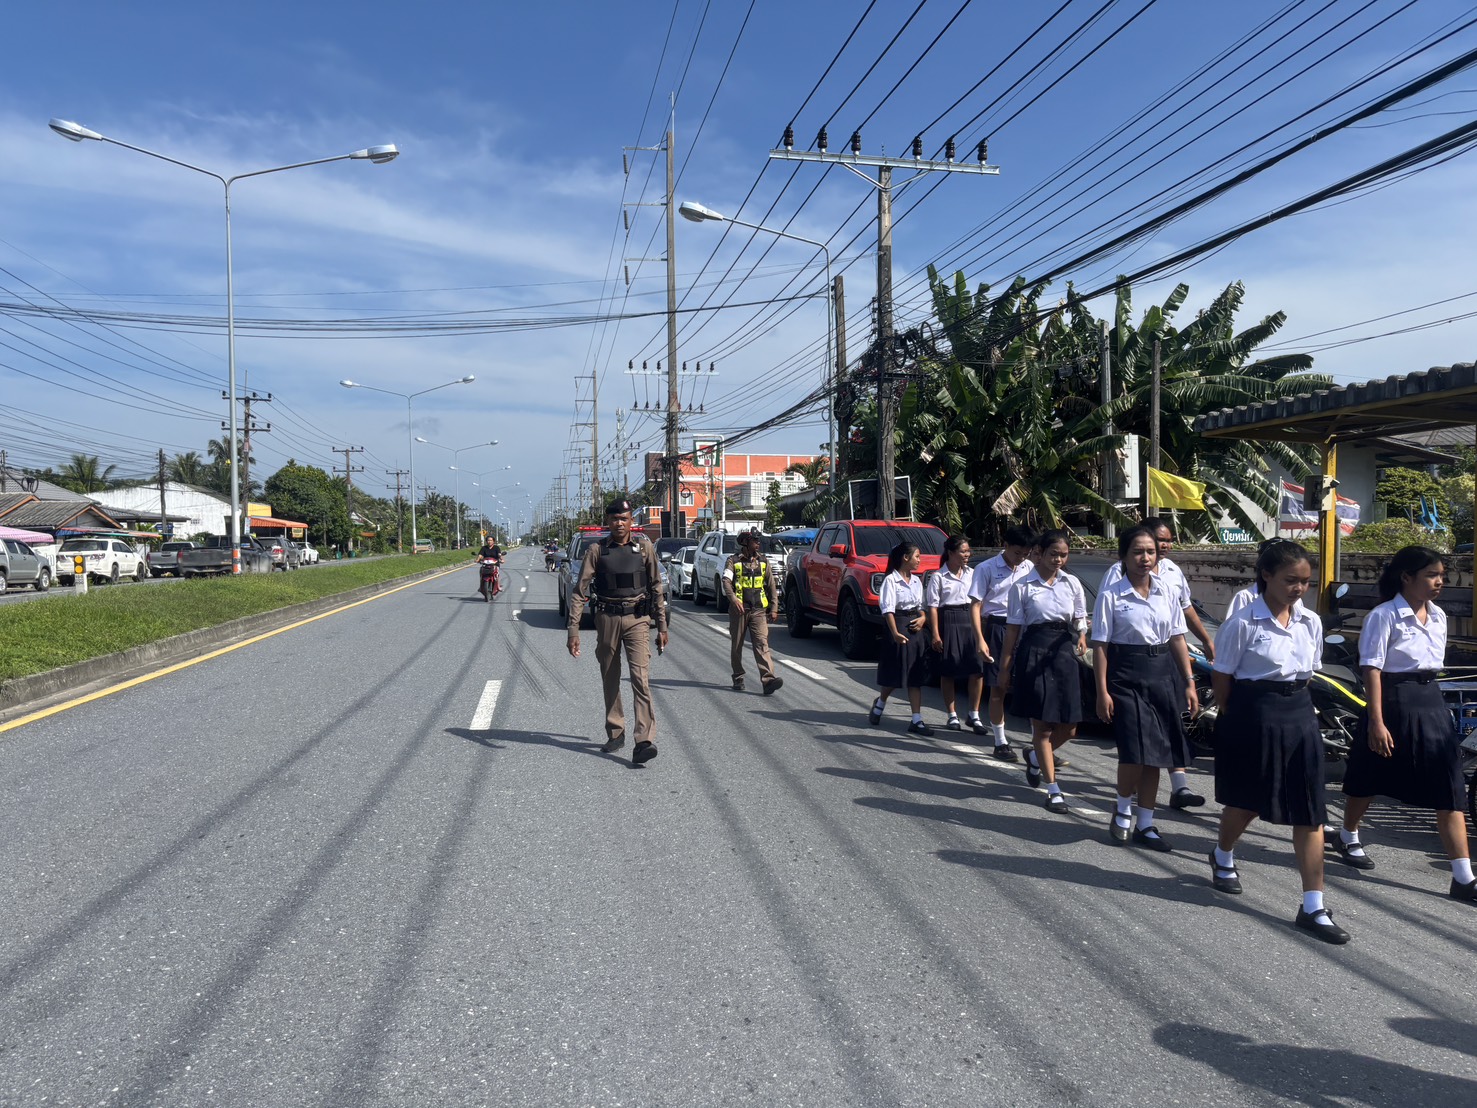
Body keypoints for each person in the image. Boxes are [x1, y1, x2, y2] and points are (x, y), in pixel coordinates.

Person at [1209, 541, 1349, 944]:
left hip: (1300, 712)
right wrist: (1238, 717)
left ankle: (1313, 906)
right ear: (1266, 575)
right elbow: (1223, 678)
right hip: (1253, 712)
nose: (1298, 588)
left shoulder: (1310, 622)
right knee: (1248, 803)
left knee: (1310, 810)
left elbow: (1310, 671)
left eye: (1305, 581)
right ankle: (1222, 854)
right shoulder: (1243, 623)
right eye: (1290, 580)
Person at [1337, 546, 1475, 902]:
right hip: (1392, 701)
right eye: (1431, 575)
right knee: (1369, 776)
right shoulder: (1384, 616)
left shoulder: (1439, 616)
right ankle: (1348, 834)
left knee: (1449, 786)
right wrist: (1376, 721)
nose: (1439, 581)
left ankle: (1463, 877)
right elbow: (1372, 669)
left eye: (1441, 575)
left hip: (1430, 701)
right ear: (1407, 577)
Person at [1092, 525, 1199, 852]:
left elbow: (1177, 637)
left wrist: (1189, 682)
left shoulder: (1166, 591)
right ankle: (1123, 806)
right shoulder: (1111, 594)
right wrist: (1101, 691)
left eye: (1150, 552)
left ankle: (1146, 824)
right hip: (1126, 675)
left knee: (1157, 754)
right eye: (1137, 552)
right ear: (1123, 556)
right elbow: (1100, 646)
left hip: (1162, 673)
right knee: (1134, 751)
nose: (1145, 558)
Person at [566, 498, 669, 765]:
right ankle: (616, 731)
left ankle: (644, 740)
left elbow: (656, 587)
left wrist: (662, 625)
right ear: (608, 521)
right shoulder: (596, 551)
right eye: (614, 519)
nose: (619, 523)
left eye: (624, 519)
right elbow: (579, 592)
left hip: (638, 619)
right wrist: (573, 630)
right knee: (610, 676)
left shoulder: (644, 548)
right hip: (607, 618)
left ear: (631, 521)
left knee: (640, 678)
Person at [997, 529, 1088, 813]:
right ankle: (1053, 790)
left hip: (1063, 650)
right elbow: (1013, 630)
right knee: (1042, 726)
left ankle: (1035, 758)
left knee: (1070, 728)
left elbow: (1080, 616)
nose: (1058, 559)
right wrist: (1005, 668)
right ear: (1040, 553)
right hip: (1034, 649)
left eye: (1063, 555)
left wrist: (1082, 634)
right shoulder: (1022, 586)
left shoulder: (1072, 582)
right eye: (1053, 554)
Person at [967, 525, 1034, 761]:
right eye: (1017, 552)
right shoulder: (986, 569)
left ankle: (1038, 744)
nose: (1021, 558)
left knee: (1029, 686)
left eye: (1025, 553)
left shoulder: (1029, 568)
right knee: (998, 686)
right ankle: (1000, 741)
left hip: (1025, 628)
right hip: (998, 627)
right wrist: (980, 639)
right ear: (1005, 545)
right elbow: (975, 605)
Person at [868, 542, 934, 735]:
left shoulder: (916, 581)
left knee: (915, 675)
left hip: (915, 628)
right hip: (897, 626)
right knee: (896, 674)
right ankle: (880, 703)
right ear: (905, 557)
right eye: (917, 556)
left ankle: (916, 720)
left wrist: (923, 618)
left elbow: (921, 606)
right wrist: (896, 633)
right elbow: (887, 610)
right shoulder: (891, 580)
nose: (919, 560)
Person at [928, 535, 990, 735]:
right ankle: (952, 714)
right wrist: (936, 634)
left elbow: (980, 601)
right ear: (951, 553)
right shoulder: (939, 576)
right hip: (949, 620)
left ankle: (974, 714)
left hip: (971, 620)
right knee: (949, 670)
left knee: (977, 669)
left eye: (968, 551)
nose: (967, 554)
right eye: (963, 551)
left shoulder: (973, 573)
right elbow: (933, 607)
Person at [724, 529, 783, 695]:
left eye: (758, 541)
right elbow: (726, 582)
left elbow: (771, 585)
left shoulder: (763, 561)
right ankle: (738, 677)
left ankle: (768, 680)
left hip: (758, 610)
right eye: (755, 541)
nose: (758, 543)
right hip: (739, 611)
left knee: (762, 644)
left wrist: (774, 608)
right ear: (745, 543)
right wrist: (734, 600)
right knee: (737, 645)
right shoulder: (733, 561)